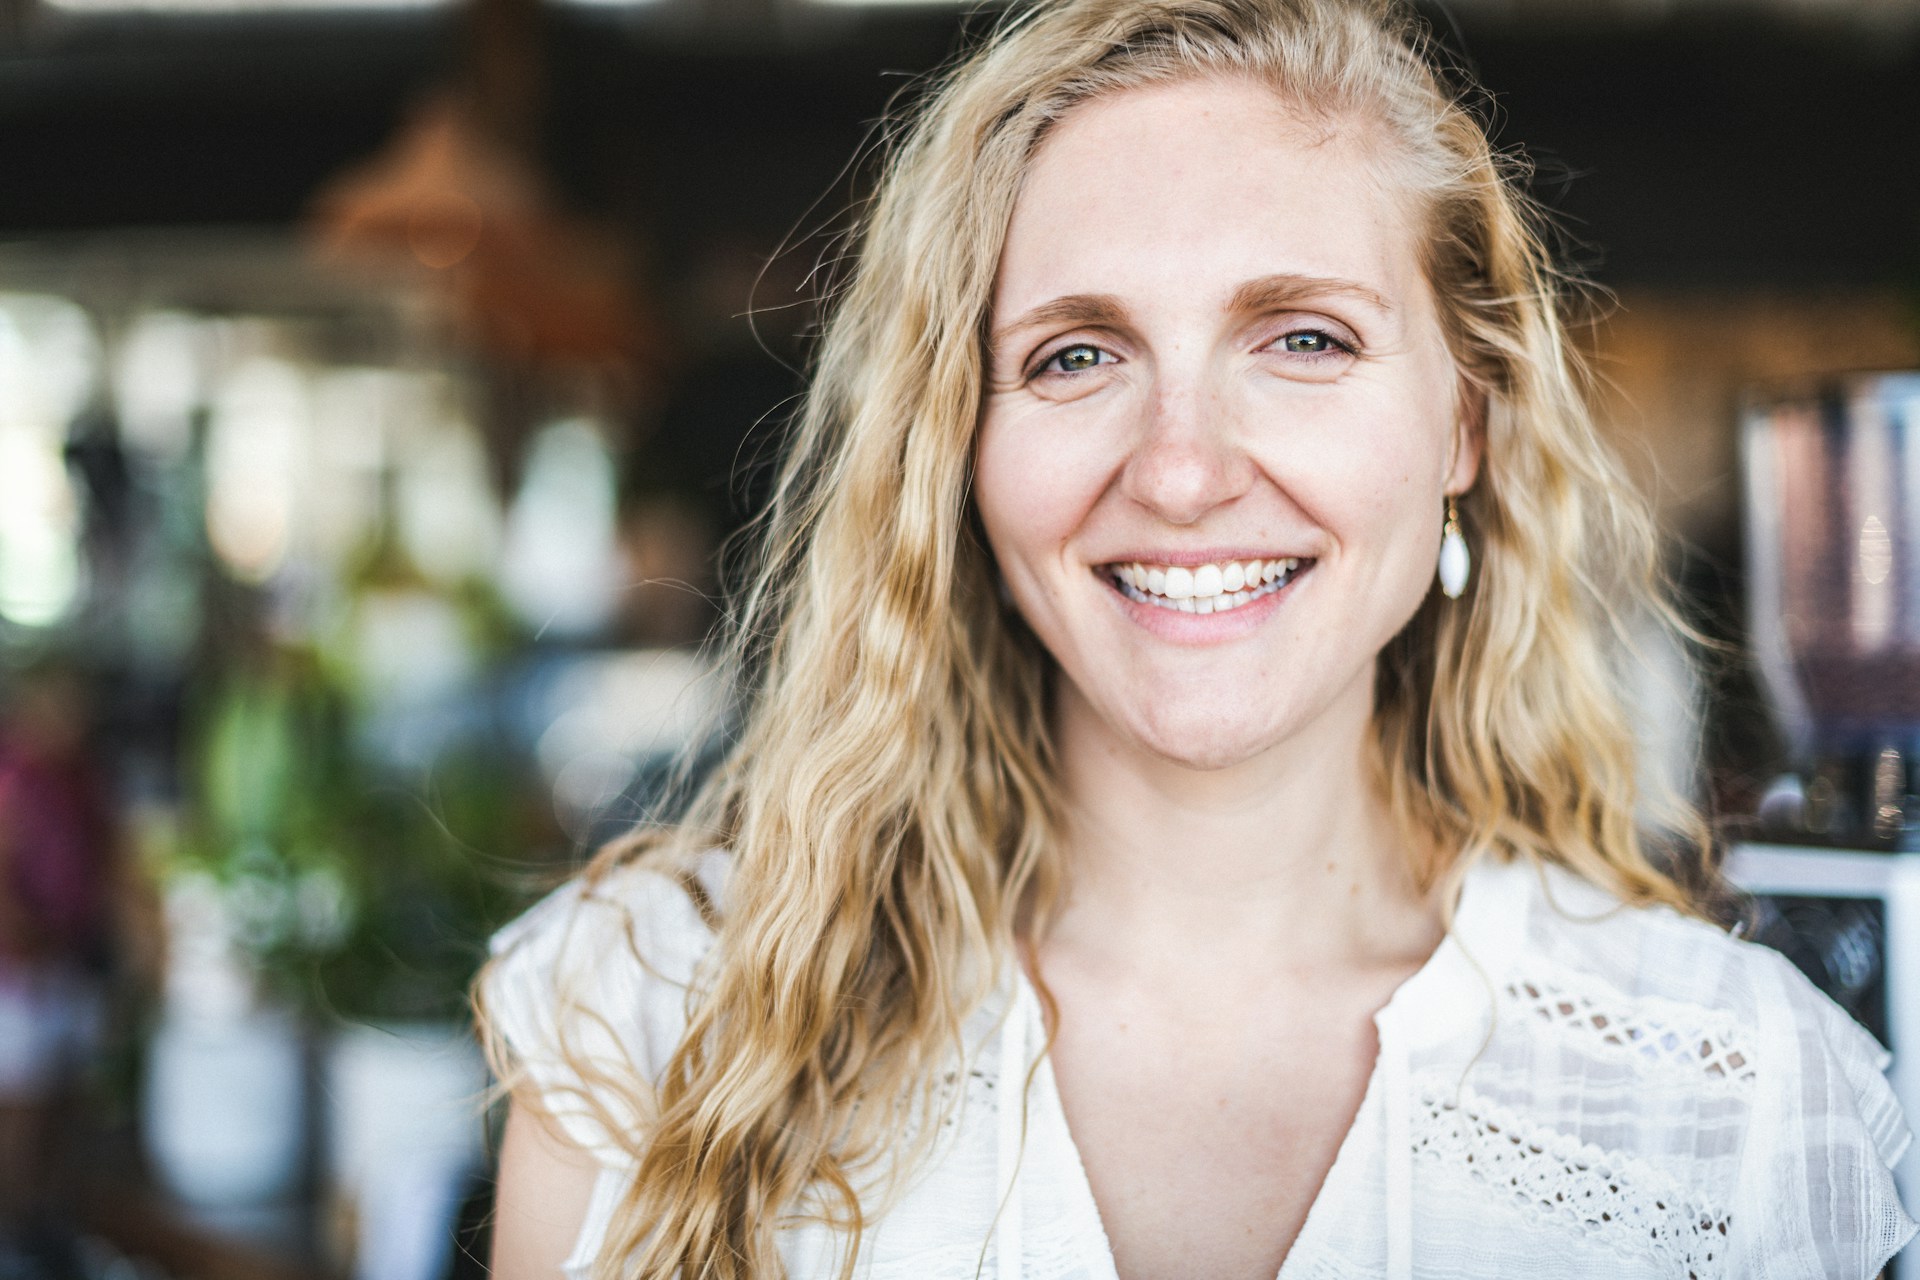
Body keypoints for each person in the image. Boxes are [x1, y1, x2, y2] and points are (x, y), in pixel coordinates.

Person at [478, 1, 1917, 1276]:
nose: (1179, 471)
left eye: (1303, 341)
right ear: (957, 450)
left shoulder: (1746, 1107)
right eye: (1075, 355)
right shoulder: (653, 1020)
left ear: (1465, 420)